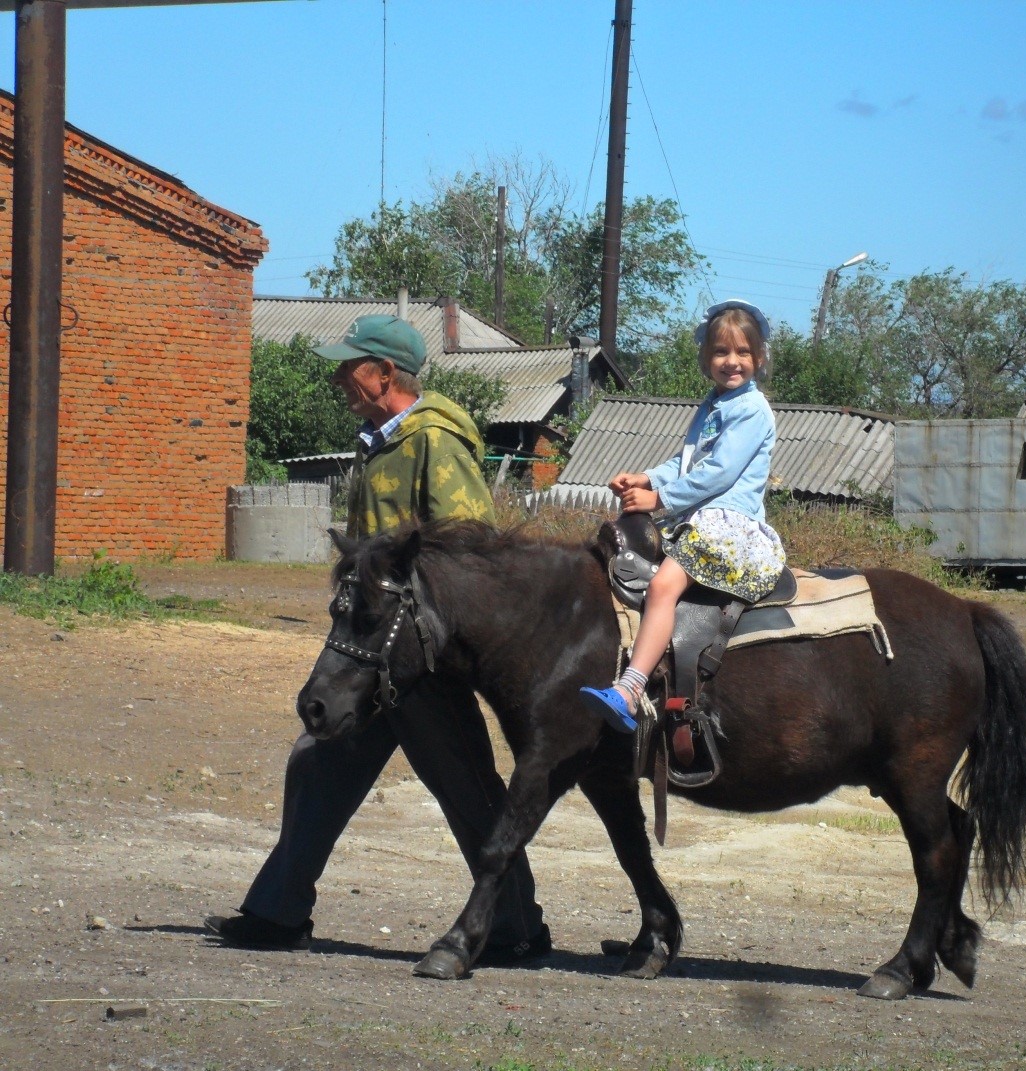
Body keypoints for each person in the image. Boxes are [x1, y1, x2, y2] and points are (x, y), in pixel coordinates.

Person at [206, 314, 548, 962]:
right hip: (370, 650)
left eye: (349, 366)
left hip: (420, 657)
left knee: (467, 788)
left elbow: (469, 546)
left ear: (384, 374)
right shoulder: (379, 439)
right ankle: (278, 913)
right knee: (317, 761)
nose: (339, 378)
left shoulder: (434, 441)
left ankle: (516, 925)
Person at [580, 299, 786, 731]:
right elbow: (687, 462)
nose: (732, 362)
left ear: (759, 358)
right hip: (701, 518)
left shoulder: (751, 409)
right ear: (706, 358)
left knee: (662, 586)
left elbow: (718, 471)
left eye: (742, 352)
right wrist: (647, 478)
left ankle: (630, 690)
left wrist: (659, 500)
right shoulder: (713, 405)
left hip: (729, 526)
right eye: (721, 352)